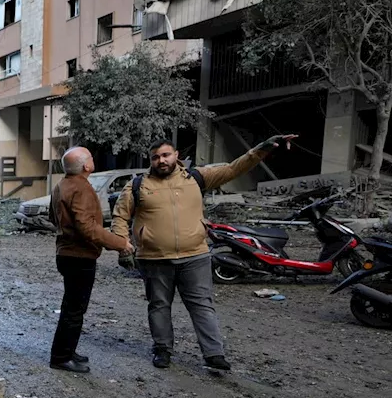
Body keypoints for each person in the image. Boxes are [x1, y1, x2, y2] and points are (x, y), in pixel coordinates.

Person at [112, 135, 297, 371]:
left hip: (195, 256)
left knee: (202, 305)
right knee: (158, 305)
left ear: (176, 155)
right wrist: (122, 245)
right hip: (155, 259)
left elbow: (233, 169)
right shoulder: (138, 185)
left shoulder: (196, 178)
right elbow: (120, 216)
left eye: (166, 155)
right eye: (155, 157)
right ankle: (162, 350)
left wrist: (261, 149)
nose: (161, 161)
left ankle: (213, 354)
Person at [48, 147, 134, 373]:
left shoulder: (61, 185)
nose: (93, 160)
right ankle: (61, 357)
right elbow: (88, 228)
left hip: (66, 253)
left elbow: (52, 217)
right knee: (74, 309)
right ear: (87, 166)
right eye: (91, 158)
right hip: (79, 256)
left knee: (72, 307)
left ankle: (67, 350)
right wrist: (120, 243)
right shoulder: (81, 188)